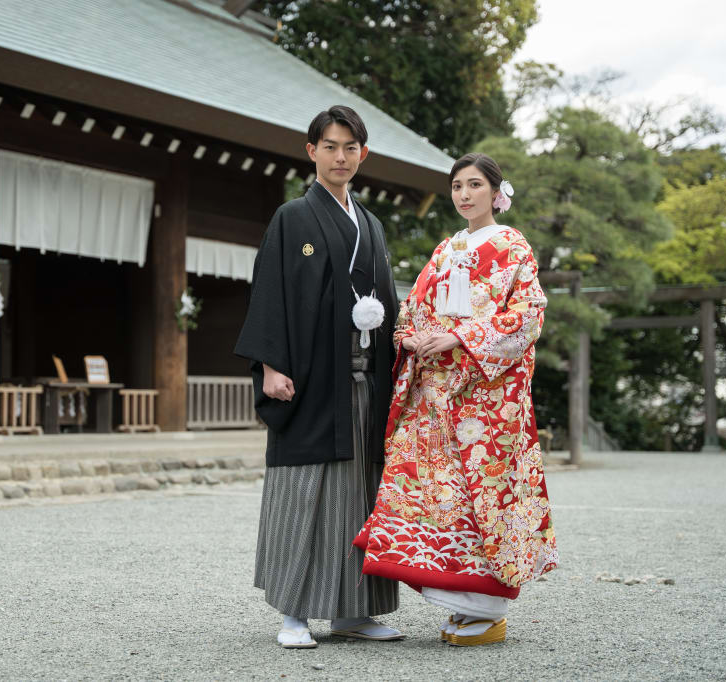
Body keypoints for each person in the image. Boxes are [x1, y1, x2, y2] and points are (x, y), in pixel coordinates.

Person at [353, 152, 558, 646]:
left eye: (474, 185)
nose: (464, 195)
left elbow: (528, 315)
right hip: (434, 395)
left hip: (485, 400)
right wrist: (412, 338)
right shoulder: (447, 249)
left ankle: (486, 611)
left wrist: (461, 339)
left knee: (480, 495)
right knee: (432, 491)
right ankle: (462, 604)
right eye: (457, 186)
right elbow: (413, 310)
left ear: (496, 192)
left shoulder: (512, 246)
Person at [235, 106, 401, 649]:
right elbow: (271, 292)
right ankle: (295, 614)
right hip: (309, 380)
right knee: (303, 490)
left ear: (363, 155)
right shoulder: (292, 218)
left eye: (350, 148)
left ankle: (356, 611)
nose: (340, 157)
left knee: (360, 495)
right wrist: (270, 364)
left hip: (361, 383)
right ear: (312, 152)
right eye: (330, 146)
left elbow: (390, 304)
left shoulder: (371, 225)